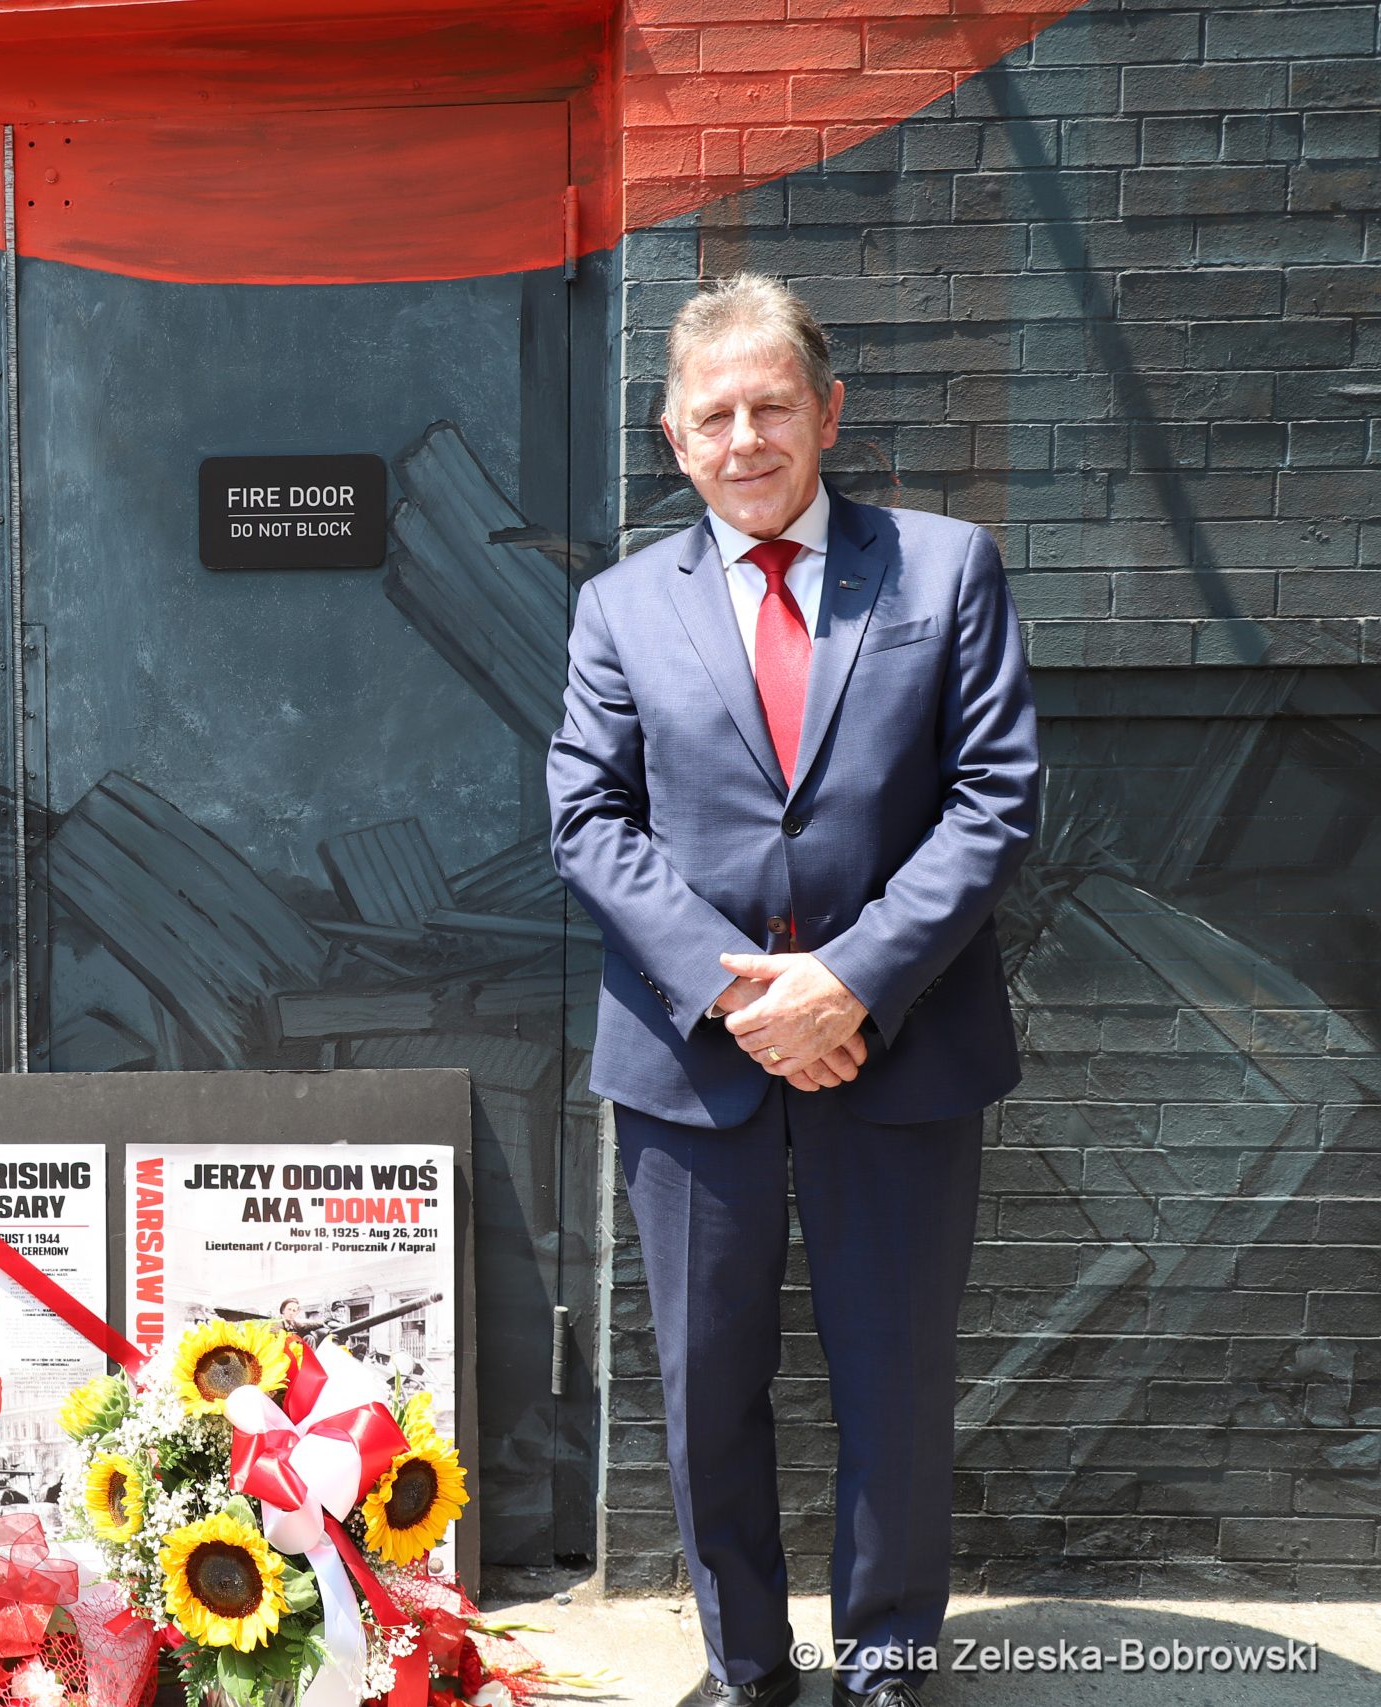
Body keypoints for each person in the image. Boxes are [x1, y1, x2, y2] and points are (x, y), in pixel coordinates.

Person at [548, 277, 1037, 1707]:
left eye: (772, 406)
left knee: (896, 1374)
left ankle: (885, 1657)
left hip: (904, 1047)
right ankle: (744, 1662)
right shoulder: (618, 607)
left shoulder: (943, 569)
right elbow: (588, 820)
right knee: (706, 1383)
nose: (745, 437)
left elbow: (995, 798)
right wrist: (745, 999)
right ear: (673, 437)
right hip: (693, 1064)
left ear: (827, 413)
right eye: (714, 415)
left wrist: (850, 981)